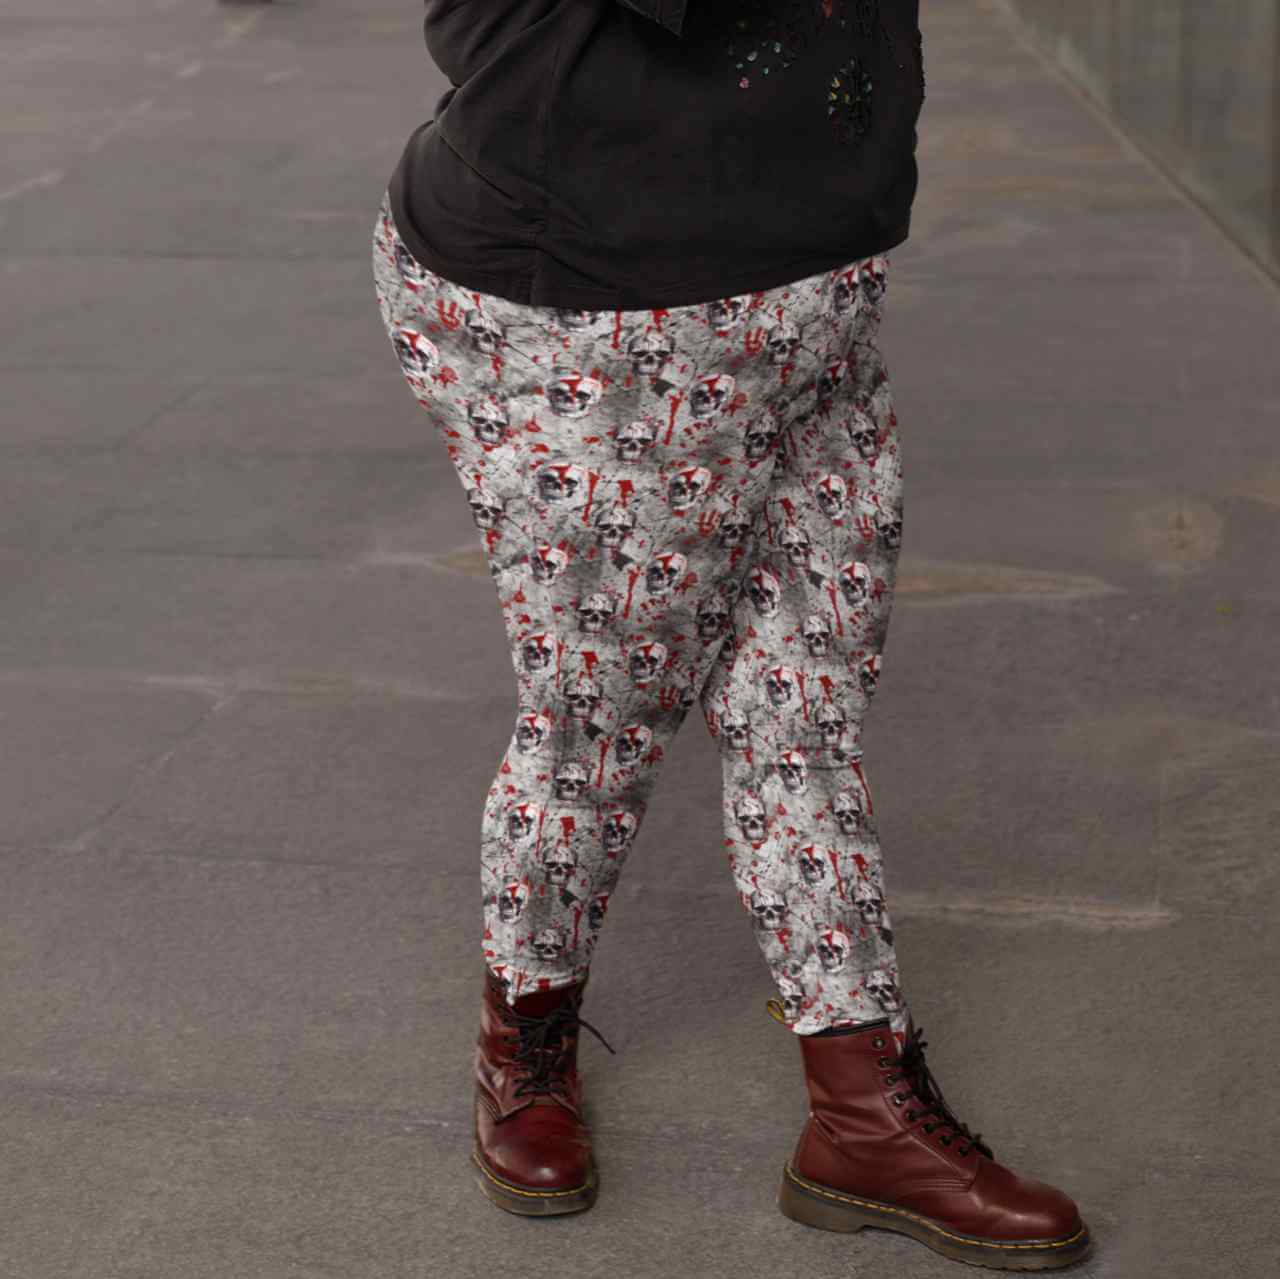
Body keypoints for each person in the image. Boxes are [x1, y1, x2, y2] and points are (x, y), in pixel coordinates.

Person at [371, 1, 1091, 1269]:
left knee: (803, 706)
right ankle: (523, 1037)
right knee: (599, 720)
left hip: (804, 304)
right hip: (603, 322)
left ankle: (862, 1113)